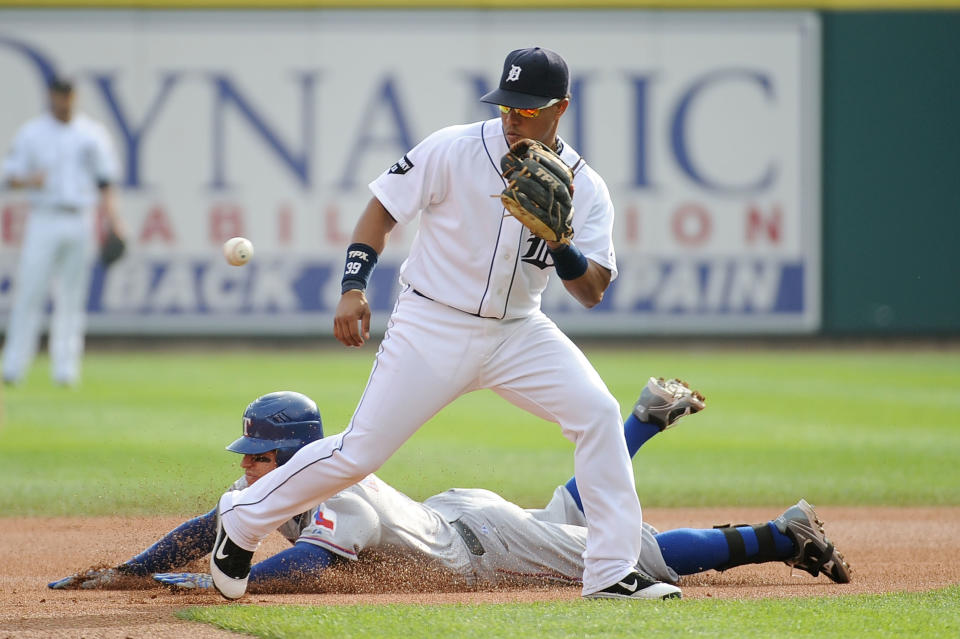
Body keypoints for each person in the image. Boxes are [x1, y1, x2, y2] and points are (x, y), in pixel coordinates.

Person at [211, 45, 661, 602]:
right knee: (360, 453)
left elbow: (591, 290)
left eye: (527, 107)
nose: (513, 116)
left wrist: (558, 243)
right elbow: (381, 210)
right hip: (433, 324)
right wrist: (354, 286)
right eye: (506, 104)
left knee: (597, 413)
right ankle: (243, 517)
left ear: (560, 108)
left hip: (519, 331)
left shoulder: (585, 186)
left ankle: (612, 572)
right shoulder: (454, 148)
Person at [48, 379, 852, 595]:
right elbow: (210, 521)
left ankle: (784, 533)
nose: (247, 465)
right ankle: (640, 422)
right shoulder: (273, 483)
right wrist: (135, 567)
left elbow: (309, 570)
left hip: (478, 543)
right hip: (457, 517)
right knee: (567, 521)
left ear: (287, 453)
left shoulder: (341, 496)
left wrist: (218, 577)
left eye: (258, 454)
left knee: (625, 552)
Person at [1, 76, 123, 387]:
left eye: (68, 95)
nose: (63, 101)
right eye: (59, 95)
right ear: (50, 96)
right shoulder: (33, 133)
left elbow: (105, 181)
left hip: (79, 216)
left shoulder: (91, 134)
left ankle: (66, 370)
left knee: (72, 296)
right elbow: (7, 174)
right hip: (44, 216)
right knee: (30, 291)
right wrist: (29, 181)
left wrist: (114, 222)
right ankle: (14, 365)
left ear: (75, 97)